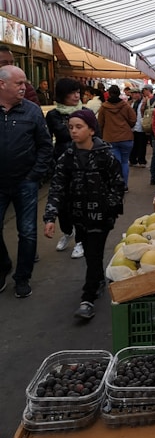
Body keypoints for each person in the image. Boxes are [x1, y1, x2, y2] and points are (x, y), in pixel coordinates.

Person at [43, 109, 125, 320]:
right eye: (70, 127)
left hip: (101, 216)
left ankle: (87, 299)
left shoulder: (105, 155)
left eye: (79, 127)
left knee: (94, 252)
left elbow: (117, 184)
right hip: (78, 217)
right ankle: (97, 280)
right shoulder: (67, 158)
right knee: (90, 252)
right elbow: (57, 188)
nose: (73, 131)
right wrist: (50, 218)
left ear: (91, 129)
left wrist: (110, 206)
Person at [0, 65, 53, 298]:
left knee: (28, 232)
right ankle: (3, 267)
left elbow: (44, 146)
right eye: (19, 83)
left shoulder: (32, 111)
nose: (25, 87)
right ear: (2, 84)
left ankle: (22, 277)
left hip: (26, 183)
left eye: (25, 83)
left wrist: (34, 175)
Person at [46, 77, 88, 259]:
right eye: (72, 92)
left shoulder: (86, 112)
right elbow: (59, 135)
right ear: (63, 95)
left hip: (84, 163)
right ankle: (67, 232)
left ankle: (80, 240)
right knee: (63, 205)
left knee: (80, 204)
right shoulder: (53, 115)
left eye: (78, 92)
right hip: (62, 163)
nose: (76, 95)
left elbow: (96, 136)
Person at [97, 84, 136, 191]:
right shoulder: (126, 106)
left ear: (108, 94)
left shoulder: (104, 107)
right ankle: (124, 185)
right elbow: (133, 120)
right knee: (124, 162)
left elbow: (99, 123)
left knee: (115, 163)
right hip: (126, 137)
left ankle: (116, 184)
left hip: (110, 138)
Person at [129, 88, 148, 167]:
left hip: (141, 126)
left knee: (142, 144)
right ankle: (133, 160)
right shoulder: (131, 103)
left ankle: (141, 160)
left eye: (136, 93)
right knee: (134, 145)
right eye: (133, 94)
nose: (134, 95)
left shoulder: (144, 102)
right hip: (133, 127)